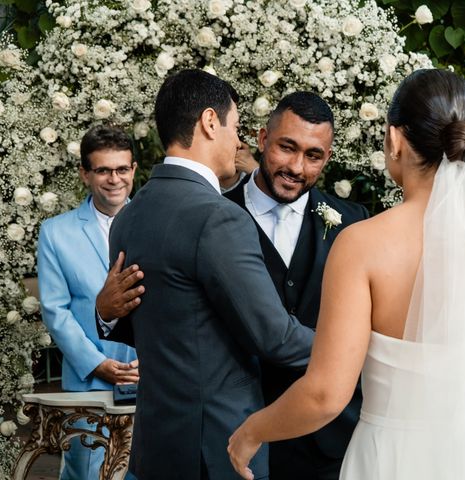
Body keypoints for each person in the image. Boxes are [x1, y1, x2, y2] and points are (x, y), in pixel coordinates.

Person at [227, 69, 465, 479]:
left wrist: (253, 431)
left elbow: (326, 394)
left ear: (395, 139)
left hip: (393, 457)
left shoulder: (361, 244)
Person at [97, 69, 315, 480]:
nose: (239, 142)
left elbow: (145, 321)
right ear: (210, 122)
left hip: (158, 446)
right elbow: (274, 336)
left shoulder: (129, 216)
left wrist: (104, 313)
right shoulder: (218, 218)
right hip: (217, 449)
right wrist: (354, 348)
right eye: (235, 126)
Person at [224, 92, 369, 479]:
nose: (296, 167)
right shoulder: (214, 217)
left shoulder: (354, 224)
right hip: (238, 434)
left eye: (313, 155)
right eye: (287, 147)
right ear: (261, 139)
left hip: (334, 439)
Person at [36, 124, 139, 480]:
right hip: (87, 385)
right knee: (88, 473)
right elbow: (55, 310)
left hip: (152, 378)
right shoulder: (56, 232)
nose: (114, 179)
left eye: (122, 169)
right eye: (103, 170)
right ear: (85, 173)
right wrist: (97, 363)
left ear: (134, 170)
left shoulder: (158, 224)